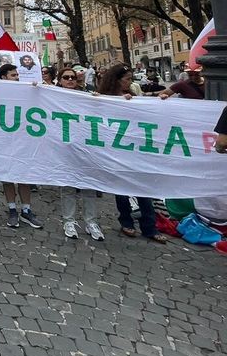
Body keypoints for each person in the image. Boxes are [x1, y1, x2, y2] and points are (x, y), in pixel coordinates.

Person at [98, 64, 167, 243]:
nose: (130, 82)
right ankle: (126, 221)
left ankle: (149, 227)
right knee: (121, 190)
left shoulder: (134, 96)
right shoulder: (105, 98)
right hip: (117, 152)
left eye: (131, 79)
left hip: (136, 152)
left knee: (143, 190)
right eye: (127, 79)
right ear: (116, 80)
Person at [56, 67, 104, 241]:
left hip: (86, 148)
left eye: (73, 78)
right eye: (66, 77)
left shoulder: (87, 96)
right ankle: (69, 220)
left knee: (88, 186)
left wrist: (103, 100)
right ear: (59, 80)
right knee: (68, 187)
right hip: (65, 148)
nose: (70, 80)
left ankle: (91, 222)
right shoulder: (52, 96)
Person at [0, 63, 42, 229]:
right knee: (7, 178)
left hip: (23, 142)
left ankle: (26, 210)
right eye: (13, 75)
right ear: (3, 77)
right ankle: (12, 210)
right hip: (3, 141)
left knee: (24, 176)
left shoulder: (26, 90)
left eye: (17, 75)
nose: (17, 78)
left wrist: (38, 90)